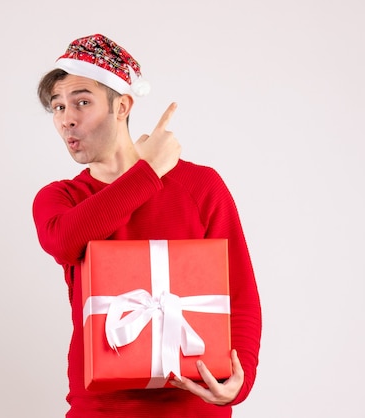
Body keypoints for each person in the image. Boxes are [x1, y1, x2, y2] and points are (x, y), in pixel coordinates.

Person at [32, 33, 262, 417]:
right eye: (57, 107)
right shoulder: (61, 198)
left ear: (122, 106)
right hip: (100, 409)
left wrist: (241, 379)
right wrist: (148, 170)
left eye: (81, 102)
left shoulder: (200, 186)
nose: (66, 119)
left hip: (192, 406)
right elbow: (66, 242)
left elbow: (238, 294)